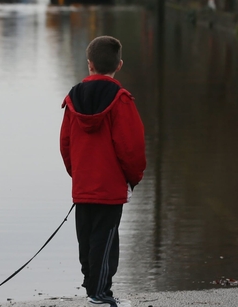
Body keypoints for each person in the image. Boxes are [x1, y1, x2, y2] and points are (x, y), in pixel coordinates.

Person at [59, 36, 146, 307]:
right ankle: (100, 294)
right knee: (105, 242)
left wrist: (78, 174)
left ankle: (92, 289)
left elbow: (66, 144)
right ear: (119, 65)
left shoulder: (73, 98)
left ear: (89, 64)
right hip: (109, 188)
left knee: (86, 239)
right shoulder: (121, 100)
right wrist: (133, 178)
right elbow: (131, 147)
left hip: (84, 186)